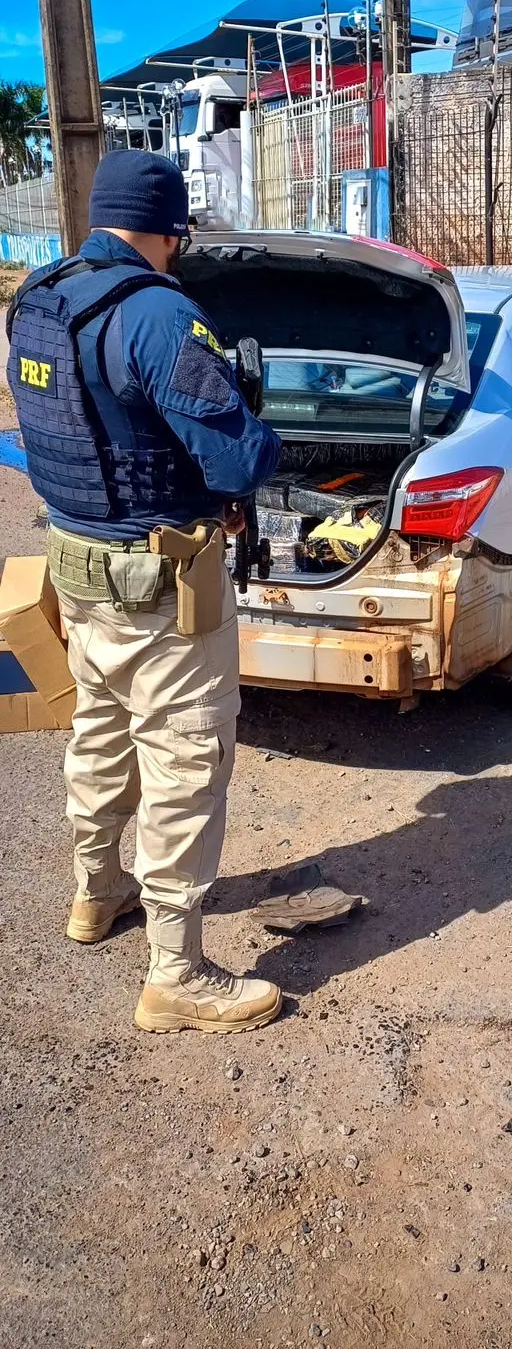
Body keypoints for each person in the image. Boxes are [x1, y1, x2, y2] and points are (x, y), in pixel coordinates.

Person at [7, 150, 283, 1035]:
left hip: (76, 569)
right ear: (169, 229)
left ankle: (97, 896)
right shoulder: (160, 316)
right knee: (184, 762)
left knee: (98, 732)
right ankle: (177, 973)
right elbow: (236, 456)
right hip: (160, 587)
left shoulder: (40, 299)